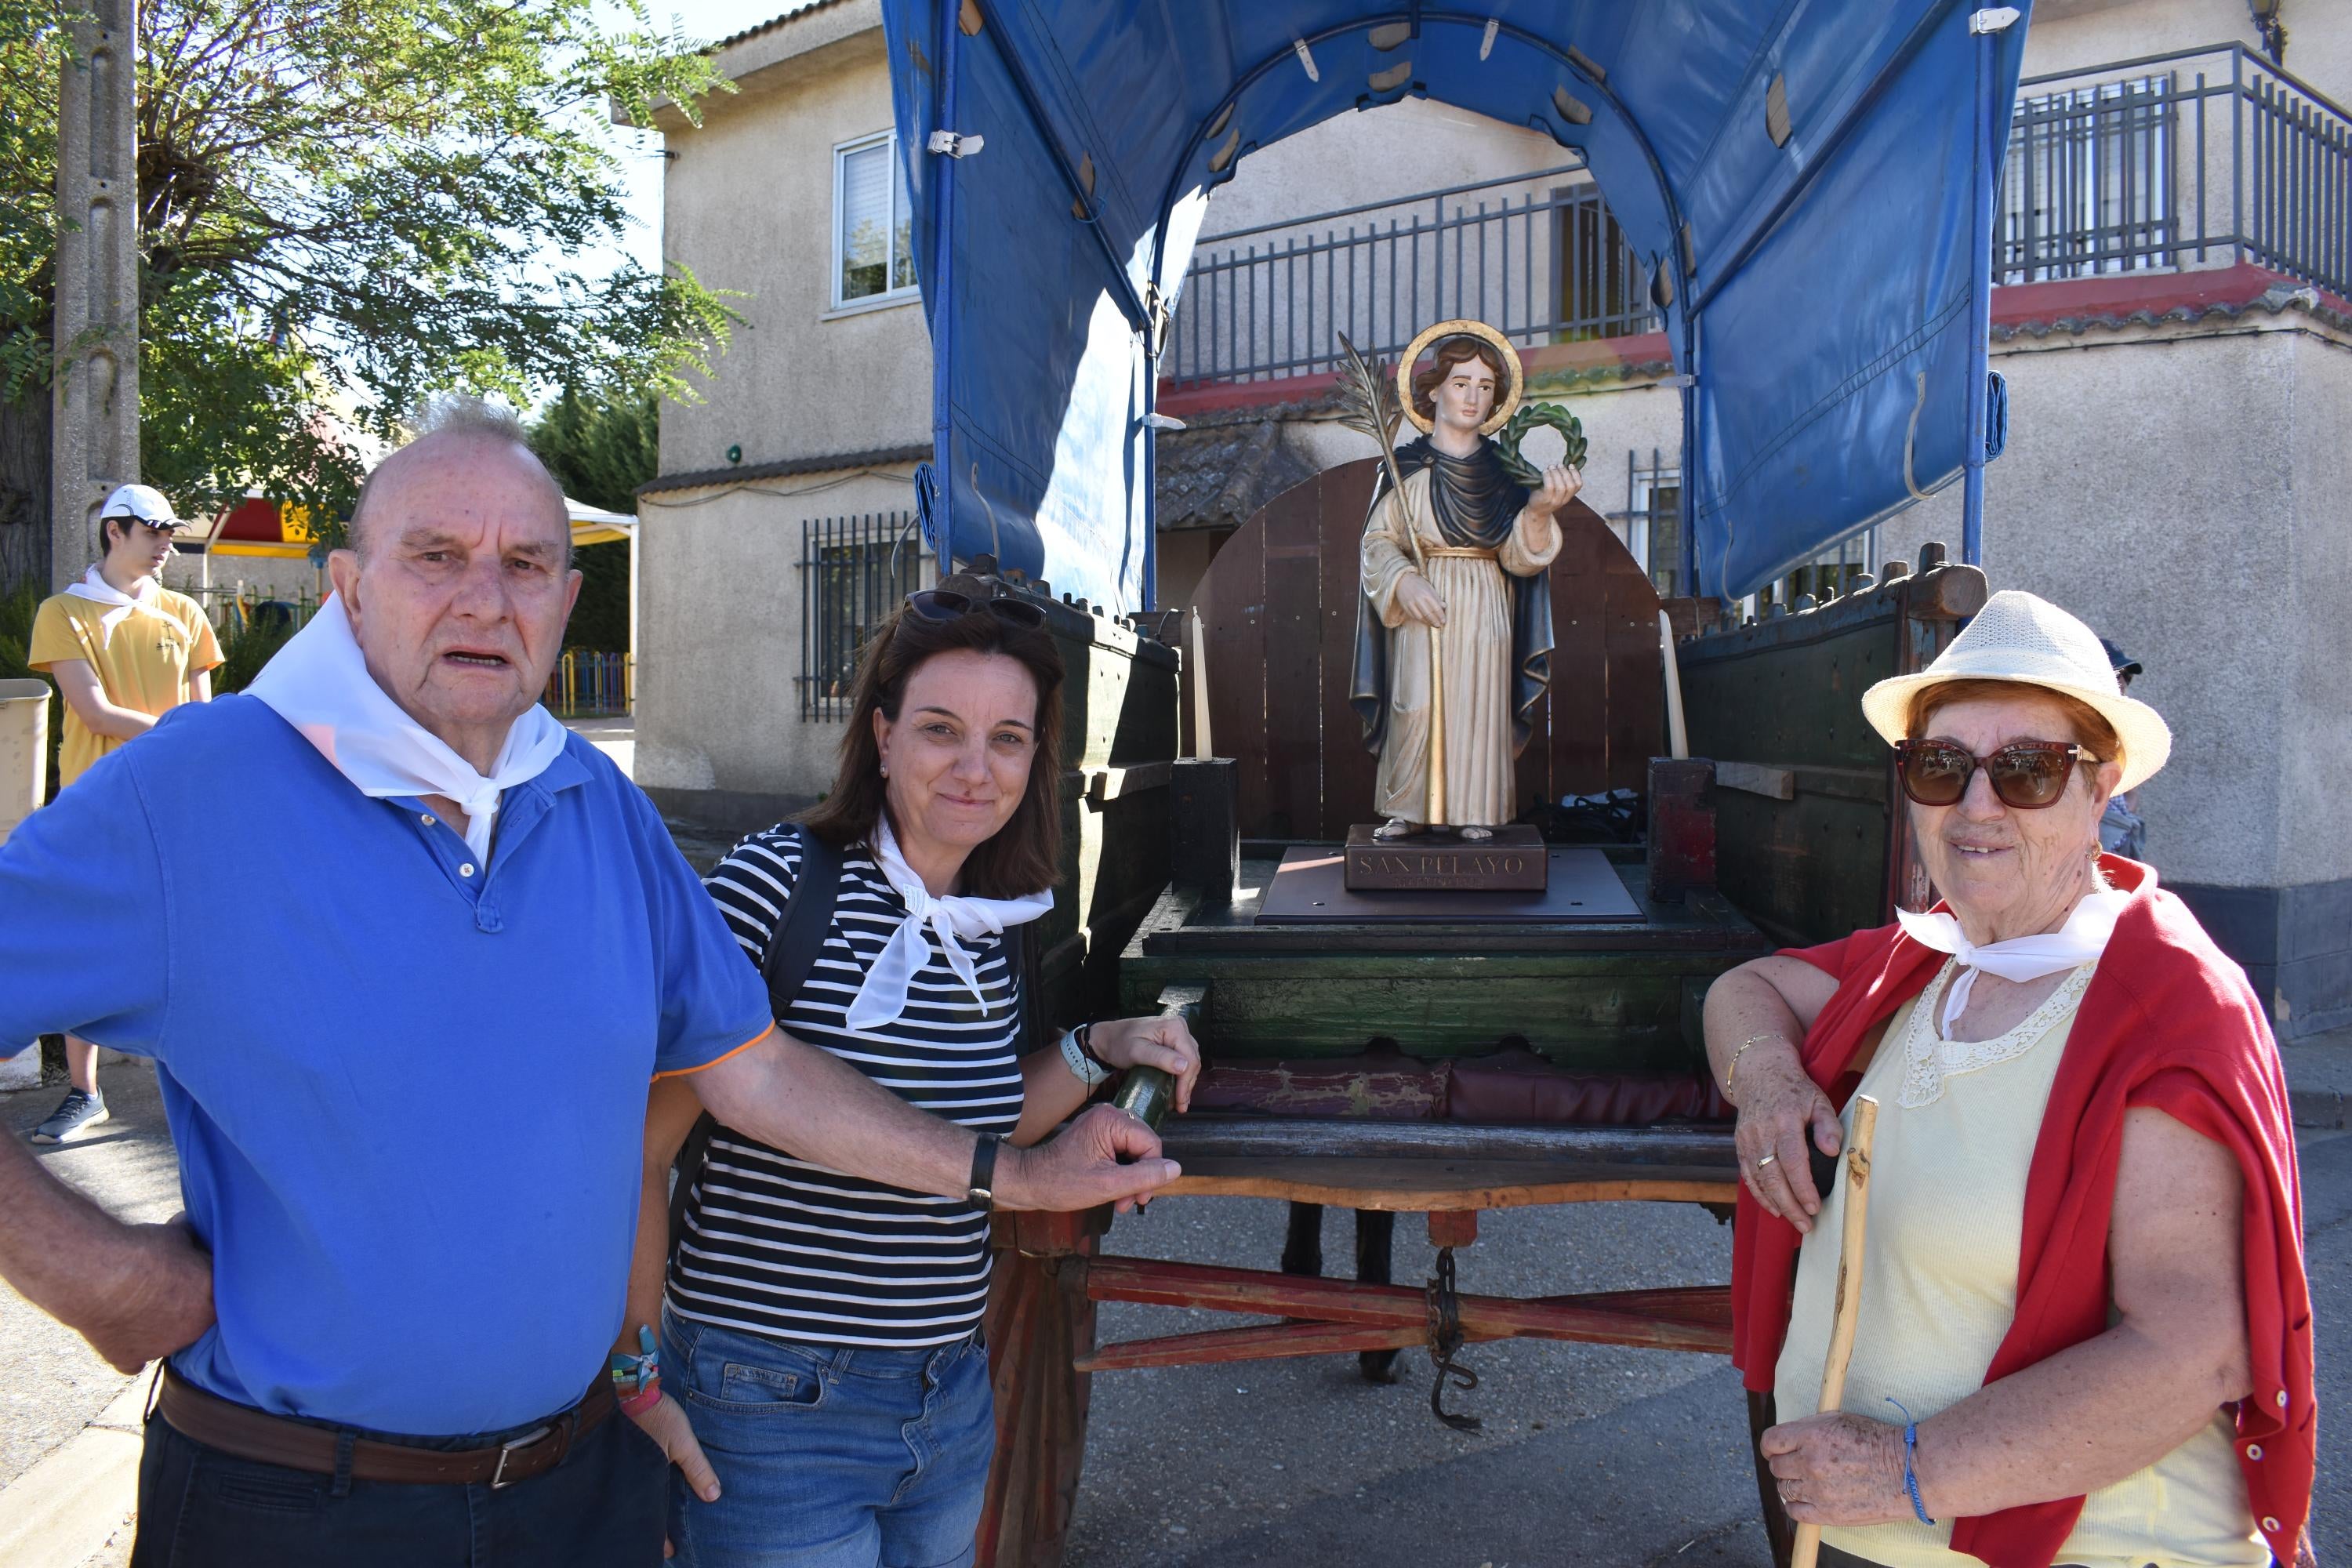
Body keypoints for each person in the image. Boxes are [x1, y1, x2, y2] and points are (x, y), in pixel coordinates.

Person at [0, 403, 1177, 1568]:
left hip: (575, 1492)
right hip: (300, 1500)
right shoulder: (197, 790)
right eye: (436, 556)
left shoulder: (595, 804)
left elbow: (754, 1071)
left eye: (526, 564)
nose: (484, 597)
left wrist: (638, 1373)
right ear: (348, 590)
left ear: (568, 603)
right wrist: (101, 1279)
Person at [1704, 590, 2310, 1568]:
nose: (1977, 805)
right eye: (1942, 767)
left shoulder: (2162, 1004)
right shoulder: (1928, 962)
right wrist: (1769, 1079)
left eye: (2026, 770)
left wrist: (1909, 1469)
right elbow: (1749, 986)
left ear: (2101, 786)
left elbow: (2196, 1349)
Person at [620, 588, 1203, 1567]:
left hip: (948, 1395)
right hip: (770, 1404)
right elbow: (641, 1146)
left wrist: (1100, 1046)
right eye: (941, 728)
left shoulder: (993, 923)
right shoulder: (778, 885)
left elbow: (981, 1121)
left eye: (1008, 738)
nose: (977, 767)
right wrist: (634, 1376)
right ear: (882, 736)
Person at [24, 483, 220, 1144]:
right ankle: (86, 1093)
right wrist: (183, 736)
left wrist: (192, 743)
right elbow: (94, 712)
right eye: (156, 529)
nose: (168, 541)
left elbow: (206, 713)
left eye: (171, 530)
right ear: (115, 531)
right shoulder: (63, 612)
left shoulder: (187, 613)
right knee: (88, 948)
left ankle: (203, 1087)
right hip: (97, 808)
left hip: (176, 808)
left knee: (186, 946)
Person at [1348, 324, 1579, 841]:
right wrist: (1403, 581)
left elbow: (1521, 559)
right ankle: (1408, 807)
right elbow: (1377, 542)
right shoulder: (1403, 466)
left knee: (1479, 707)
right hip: (1421, 598)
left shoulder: (1506, 472)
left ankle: (1479, 807)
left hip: (1484, 601)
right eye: (1461, 382)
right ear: (1433, 390)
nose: (1474, 396)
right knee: (1415, 705)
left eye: (1485, 386)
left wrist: (1540, 511)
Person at [2096, 635, 2147, 861]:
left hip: (2118, 837)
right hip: (2090, 841)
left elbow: (2132, 787)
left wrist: (2124, 818)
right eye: (2117, 675)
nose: (2123, 682)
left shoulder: (2122, 728)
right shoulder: (2077, 727)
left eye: (2126, 676)